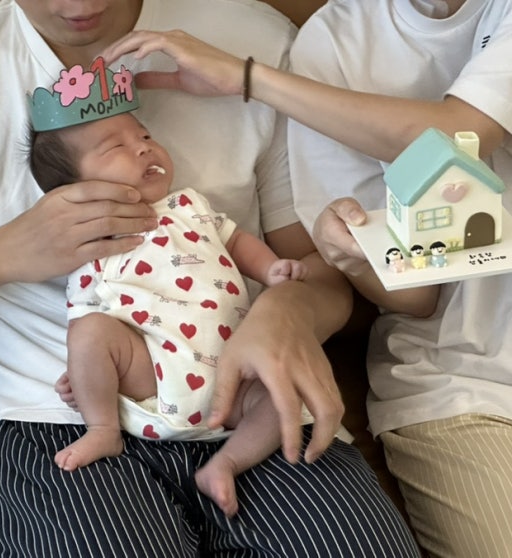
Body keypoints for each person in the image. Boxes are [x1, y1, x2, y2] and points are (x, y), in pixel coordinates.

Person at [0, 0, 422, 556]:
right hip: (64, 419)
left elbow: (324, 266)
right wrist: (2, 254)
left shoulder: (253, 44)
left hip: (250, 395)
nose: (79, 5)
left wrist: (291, 310)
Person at [98, 1, 512, 556]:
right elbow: (415, 299)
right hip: (461, 386)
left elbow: (463, 133)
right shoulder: (332, 42)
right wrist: (355, 257)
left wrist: (250, 79)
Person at [28, 67, 309, 516]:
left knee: (284, 396)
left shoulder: (189, 205)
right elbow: (83, 315)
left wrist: (271, 270)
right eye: (117, 147)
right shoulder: (94, 239)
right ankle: (102, 429)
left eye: (144, 136)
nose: (143, 147)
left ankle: (226, 464)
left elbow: (235, 240)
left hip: (236, 372)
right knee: (91, 332)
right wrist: (84, 372)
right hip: (155, 372)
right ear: (77, 189)